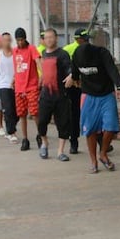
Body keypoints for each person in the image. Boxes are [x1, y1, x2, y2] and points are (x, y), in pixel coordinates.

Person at [68, 30, 120, 173]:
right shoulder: (76, 56)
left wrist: (119, 86)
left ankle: (103, 153)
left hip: (106, 94)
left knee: (111, 127)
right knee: (90, 130)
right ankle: (93, 161)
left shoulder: (101, 53)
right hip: (88, 96)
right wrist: (72, 80)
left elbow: (112, 70)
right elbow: (75, 74)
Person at [37, 29, 72, 161]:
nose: (49, 40)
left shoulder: (63, 54)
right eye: (47, 38)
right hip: (46, 95)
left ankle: (60, 151)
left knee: (62, 124)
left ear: (56, 38)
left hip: (60, 95)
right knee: (41, 122)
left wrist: (70, 76)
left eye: (51, 37)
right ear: (43, 40)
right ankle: (44, 143)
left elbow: (69, 68)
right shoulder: (43, 53)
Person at [13, 27, 41, 151]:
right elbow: (17, 68)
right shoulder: (15, 51)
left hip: (32, 86)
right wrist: (13, 79)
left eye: (22, 40)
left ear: (25, 39)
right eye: (18, 40)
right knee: (22, 114)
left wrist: (43, 75)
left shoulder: (31, 49)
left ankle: (40, 135)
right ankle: (25, 139)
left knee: (35, 113)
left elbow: (38, 61)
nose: (20, 43)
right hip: (19, 87)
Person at [63, 29, 87, 154]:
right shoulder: (67, 50)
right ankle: (74, 142)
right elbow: (65, 67)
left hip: (88, 86)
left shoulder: (90, 49)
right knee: (74, 115)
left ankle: (100, 141)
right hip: (74, 88)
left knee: (90, 114)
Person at [0, 32, 18, 144]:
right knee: (8, 109)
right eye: (5, 40)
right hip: (4, 85)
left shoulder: (16, 53)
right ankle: (11, 132)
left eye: (9, 39)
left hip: (16, 85)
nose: (7, 42)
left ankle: (10, 125)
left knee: (17, 110)